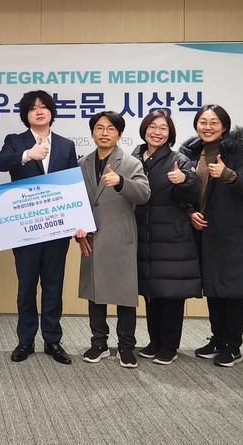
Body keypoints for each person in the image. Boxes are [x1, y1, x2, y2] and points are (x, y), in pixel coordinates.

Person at [0, 90, 78, 365]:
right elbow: (0, 163)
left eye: (43, 107)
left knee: (53, 285)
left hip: (56, 226)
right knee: (27, 285)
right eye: (33, 108)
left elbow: (72, 185)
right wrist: (28, 155)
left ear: (51, 112)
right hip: (25, 227)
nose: (39, 111)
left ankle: (53, 340)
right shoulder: (15, 141)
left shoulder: (66, 145)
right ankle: (25, 340)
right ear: (26, 114)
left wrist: (77, 222)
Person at [179, 104, 243, 367]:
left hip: (231, 234)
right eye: (203, 122)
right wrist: (190, 212)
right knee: (213, 289)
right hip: (204, 233)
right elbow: (187, 191)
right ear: (196, 125)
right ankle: (217, 339)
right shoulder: (191, 154)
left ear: (224, 126)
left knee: (232, 290)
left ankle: (233, 346)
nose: (208, 127)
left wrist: (229, 175)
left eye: (214, 122)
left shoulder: (236, 154)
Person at [75, 111, 150, 368]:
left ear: (119, 134)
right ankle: (99, 343)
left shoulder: (130, 163)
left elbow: (144, 194)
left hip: (120, 239)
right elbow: (77, 202)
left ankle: (126, 346)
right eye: (99, 128)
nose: (104, 133)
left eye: (110, 128)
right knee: (95, 294)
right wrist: (78, 232)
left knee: (124, 296)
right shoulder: (83, 163)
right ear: (92, 132)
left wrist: (120, 182)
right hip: (92, 238)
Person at [132, 110, 201, 365]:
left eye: (163, 128)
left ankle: (170, 346)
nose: (157, 132)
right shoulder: (134, 158)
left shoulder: (179, 160)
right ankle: (155, 341)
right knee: (151, 291)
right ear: (144, 130)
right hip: (144, 235)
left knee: (172, 293)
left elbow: (191, 196)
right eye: (152, 127)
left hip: (172, 236)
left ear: (170, 133)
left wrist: (184, 181)